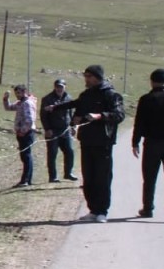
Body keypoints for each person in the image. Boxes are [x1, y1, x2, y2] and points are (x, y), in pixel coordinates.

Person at [45, 64, 125, 222]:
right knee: (88, 177)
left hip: (103, 142)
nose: (85, 79)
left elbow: (119, 115)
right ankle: (93, 210)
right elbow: (76, 105)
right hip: (87, 141)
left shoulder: (111, 95)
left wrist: (100, 116)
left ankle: (102, 211)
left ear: (96, 77)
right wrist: (56, 108)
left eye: (88, 76)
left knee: (102, 177)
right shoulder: (86, 94)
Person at [131, 68, 164, 220]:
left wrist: (135, 142)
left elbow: (139, 123)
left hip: (152, 143)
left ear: (152, 81)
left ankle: (148, 208)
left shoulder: (146, 99)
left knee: (149, 178)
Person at [40, 78, 77, 183]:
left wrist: (73, 126)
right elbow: (43, 116)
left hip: (66, 130)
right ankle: (53, 177)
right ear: (54, 87)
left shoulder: (68, 98)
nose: (59, 88)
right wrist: (47, 129)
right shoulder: (47, 99)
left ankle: (68, 173)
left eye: (61, 86)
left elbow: (71, 113)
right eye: (57, 86)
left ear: (65, 86)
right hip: (53, 131)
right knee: (52, 154)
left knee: (69, 151)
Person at [2, 84, 39, 187]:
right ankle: (26, 179)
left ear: (24, 92)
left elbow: (30, 120)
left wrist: (23, 131)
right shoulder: (20, 103)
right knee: (24, 156)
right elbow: (9, 108)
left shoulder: (27, 103)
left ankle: (26, 180)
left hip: (27, 133)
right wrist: (5, 99)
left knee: (26, 156)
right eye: (16, 93)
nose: (17, 95)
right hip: (21, 133)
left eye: (19, 93)